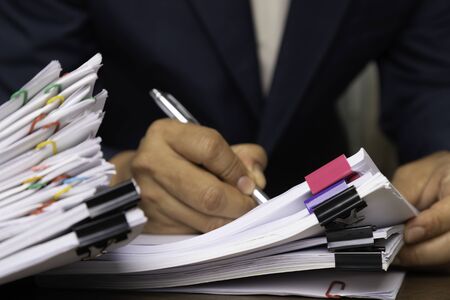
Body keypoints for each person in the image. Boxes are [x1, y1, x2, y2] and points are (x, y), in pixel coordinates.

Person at [0, 0, 449, 270]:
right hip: (125, 242)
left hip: (315, 238)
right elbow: (23, 107)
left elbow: (433, 84)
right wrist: (116, 177)